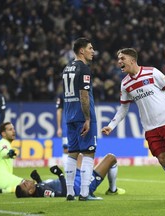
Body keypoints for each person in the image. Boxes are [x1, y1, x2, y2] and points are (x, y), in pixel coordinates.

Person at [101, 48, 165, 202]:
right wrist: (111, 125)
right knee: (163, 160)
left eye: (122, 58)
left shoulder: (152, 72)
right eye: (118, 59)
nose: (119, 62)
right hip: (150, 128)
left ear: (132, 60)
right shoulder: (125, 84)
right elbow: (124, 108)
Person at [62, 37, 98, 201]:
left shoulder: (67, 68)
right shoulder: (84, 69)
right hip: (81, 116)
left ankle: (69, 192)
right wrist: (88, 118)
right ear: (81, 50)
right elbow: (84, 96)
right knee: (89, 153)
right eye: (90, 48)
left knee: (72, 153)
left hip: (69, 115)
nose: (93, 51)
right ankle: (84, 193)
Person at [15, 153, 125, 198]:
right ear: (30, 191)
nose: (26, 181)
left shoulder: (38, 188)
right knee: (111, 158)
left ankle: (90, 170)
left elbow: (43, 187)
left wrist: (37, 179)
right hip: (80, 185)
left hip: (73, 179)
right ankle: (113, 190)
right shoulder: (43, 192)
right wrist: (60, 174)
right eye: (25, 184)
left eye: (23, 181)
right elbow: (64, 193)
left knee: (79, 155)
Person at [0, 122, 23, 193]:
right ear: (3, 134)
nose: (13, 131)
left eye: (13, 129)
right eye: (10, 129)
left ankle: (2, 190)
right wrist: (9, 153)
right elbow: (4, 152)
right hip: (2, 179)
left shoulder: (3, 143)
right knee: (29, 185)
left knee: (23, 186)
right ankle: (1, 189)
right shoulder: (3, 143)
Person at [56, 93, 68, 170]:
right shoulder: (62, 95)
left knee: (79, 151)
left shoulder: (79, 92)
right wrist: (59, 127)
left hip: (77, 125)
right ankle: (68, 176)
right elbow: (59, 110)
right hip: (66, 125)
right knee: (66, 149)